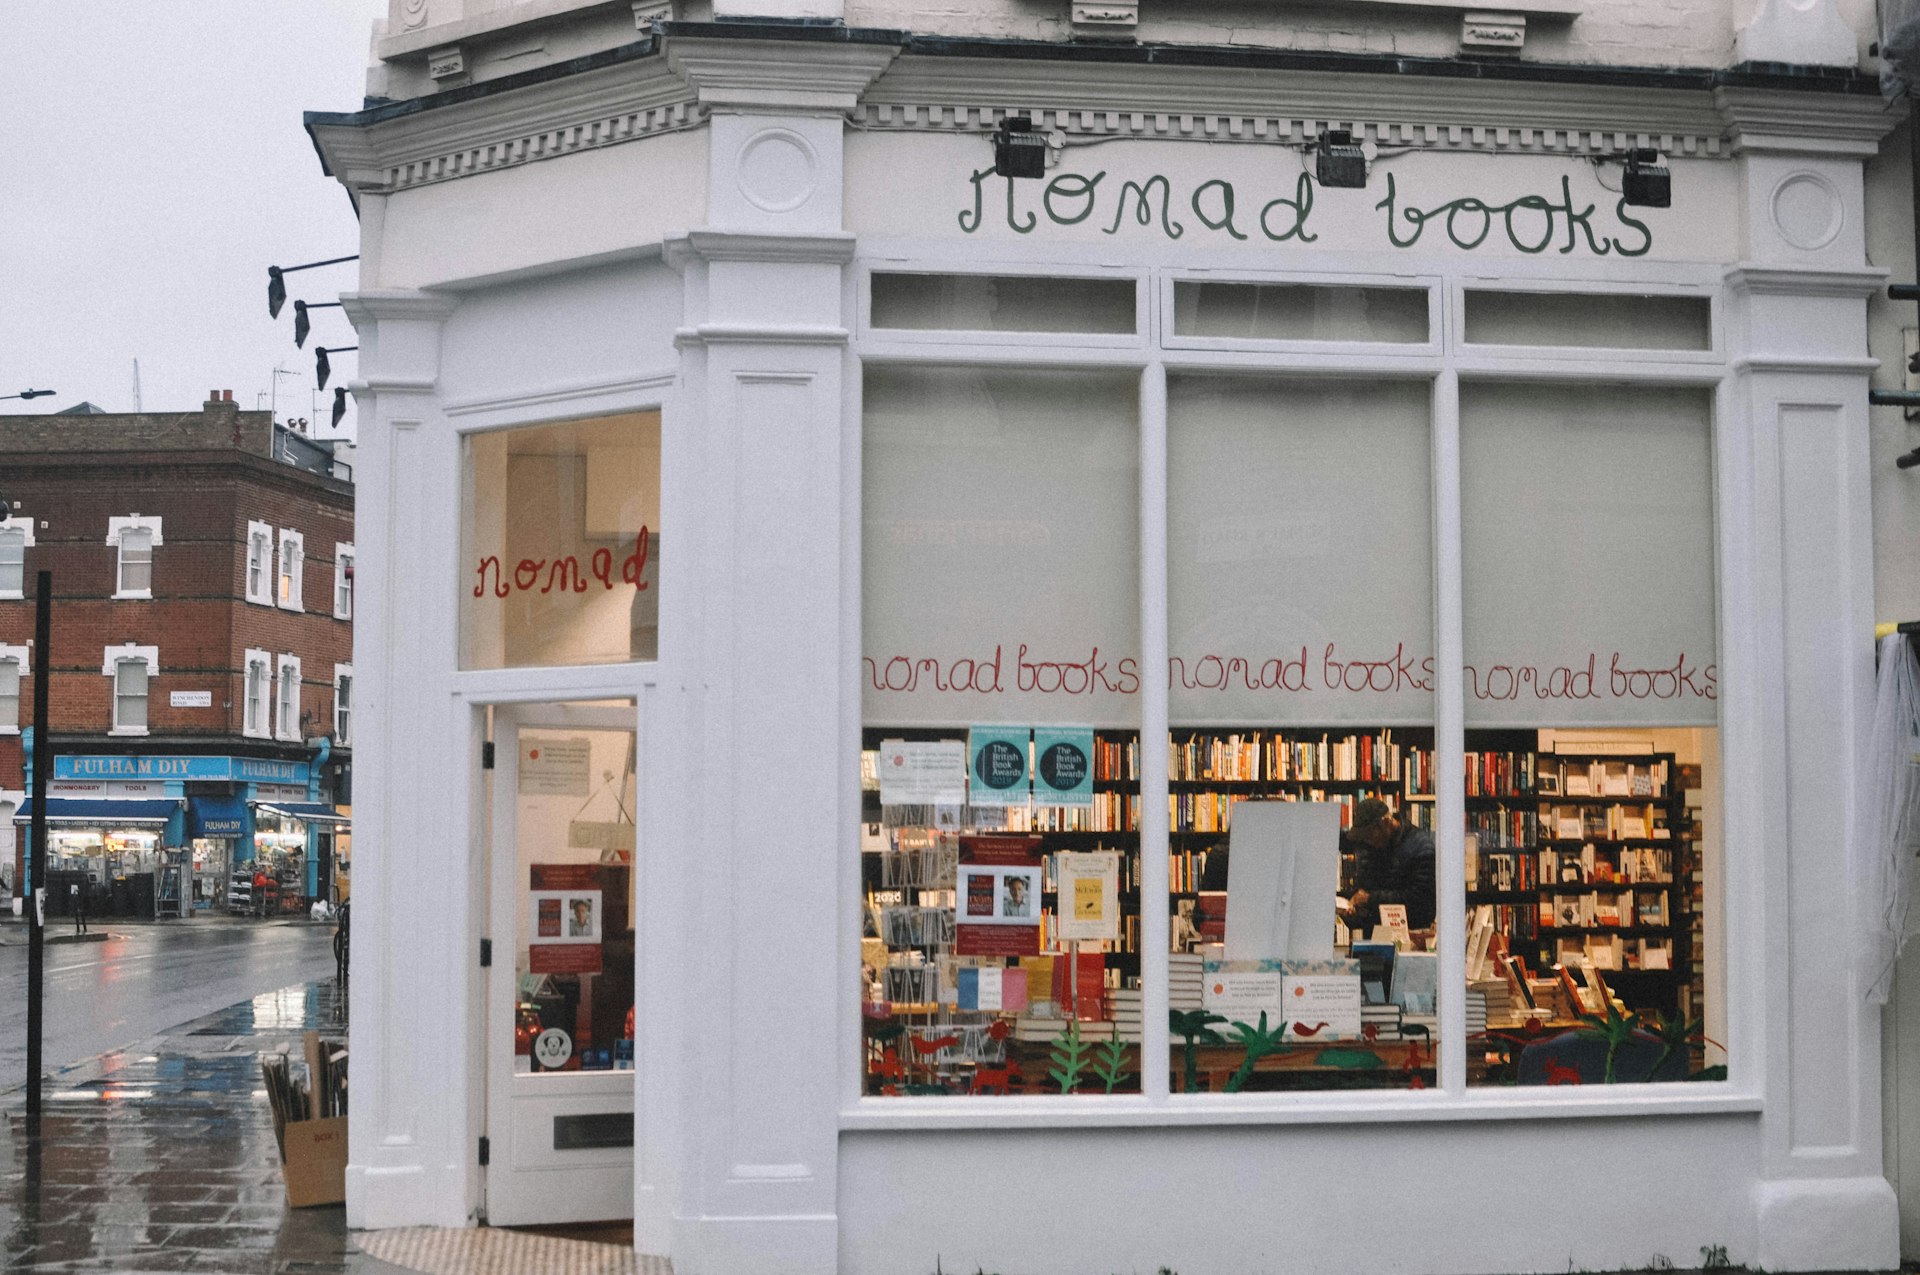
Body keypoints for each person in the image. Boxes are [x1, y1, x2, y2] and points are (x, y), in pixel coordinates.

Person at [1342, 797, 1436, 934]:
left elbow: (1420, 902)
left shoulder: (1421, 847)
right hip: (1374, 939)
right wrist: (1353, 912)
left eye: (1369, 835)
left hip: (1411, 939)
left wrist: (1370, 899)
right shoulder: (1371, 848)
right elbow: (1364, 895)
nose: (1368, 841)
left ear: (1385, 823)